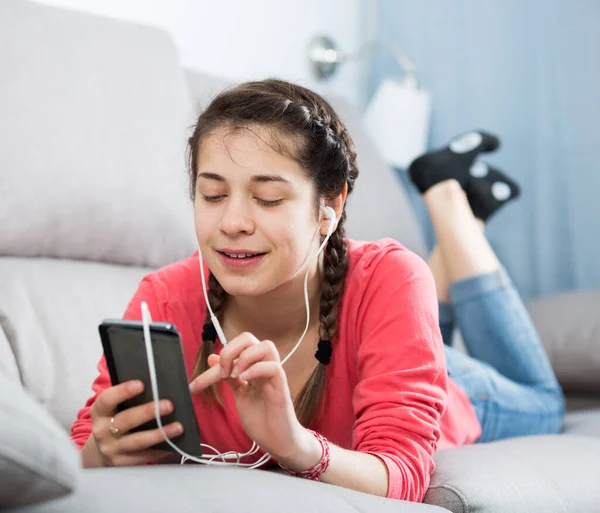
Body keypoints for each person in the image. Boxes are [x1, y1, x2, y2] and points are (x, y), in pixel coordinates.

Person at [70, 80, 564, 503]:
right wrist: (102, 450)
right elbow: (78, 453)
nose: (232, 223)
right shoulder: (163, 295)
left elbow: (405, 473)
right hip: (391, 335)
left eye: (268, 198)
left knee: (546, 404)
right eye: (212, 194)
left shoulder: (391, 277)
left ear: (329, 206)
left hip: (442, 384)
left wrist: (297, 446)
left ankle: (452, 204)